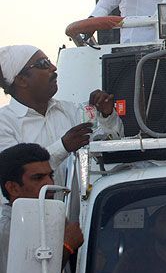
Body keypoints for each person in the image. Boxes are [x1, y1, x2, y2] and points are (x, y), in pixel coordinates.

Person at [0, 46, 123, 185]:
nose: (53, 68)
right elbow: (15, 174)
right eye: (43, 64)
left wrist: (107, 116)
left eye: (49, 61)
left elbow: (110, 148)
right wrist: (63, 147)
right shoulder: (4, 123)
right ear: (21, 80)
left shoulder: (71, 110)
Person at [0, 143, 84, 273]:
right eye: (38, 178)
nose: (50, 183)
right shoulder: (7, 232)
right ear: (13, 188)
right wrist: (67, 246)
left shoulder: (49, 220)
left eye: (50, 176)